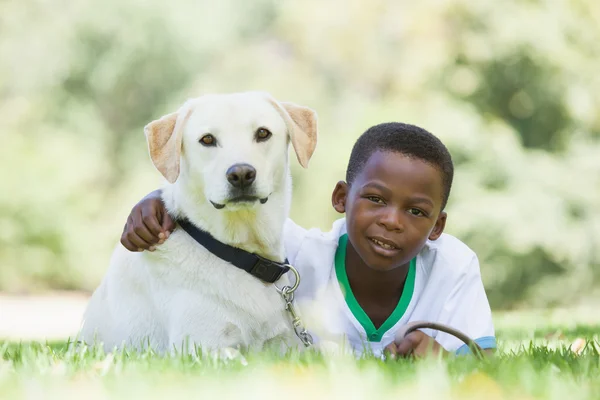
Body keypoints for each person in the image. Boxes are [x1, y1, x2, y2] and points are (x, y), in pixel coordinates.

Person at [120, 122, 496, 359]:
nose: (391, 221)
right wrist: (157, 202)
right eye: (375, 199)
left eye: (415, 211)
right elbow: (216, 218)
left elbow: (486, 361)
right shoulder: (292, 254)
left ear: (437, 226)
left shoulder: (454, 267)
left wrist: (447, 360)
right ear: (340, 198)